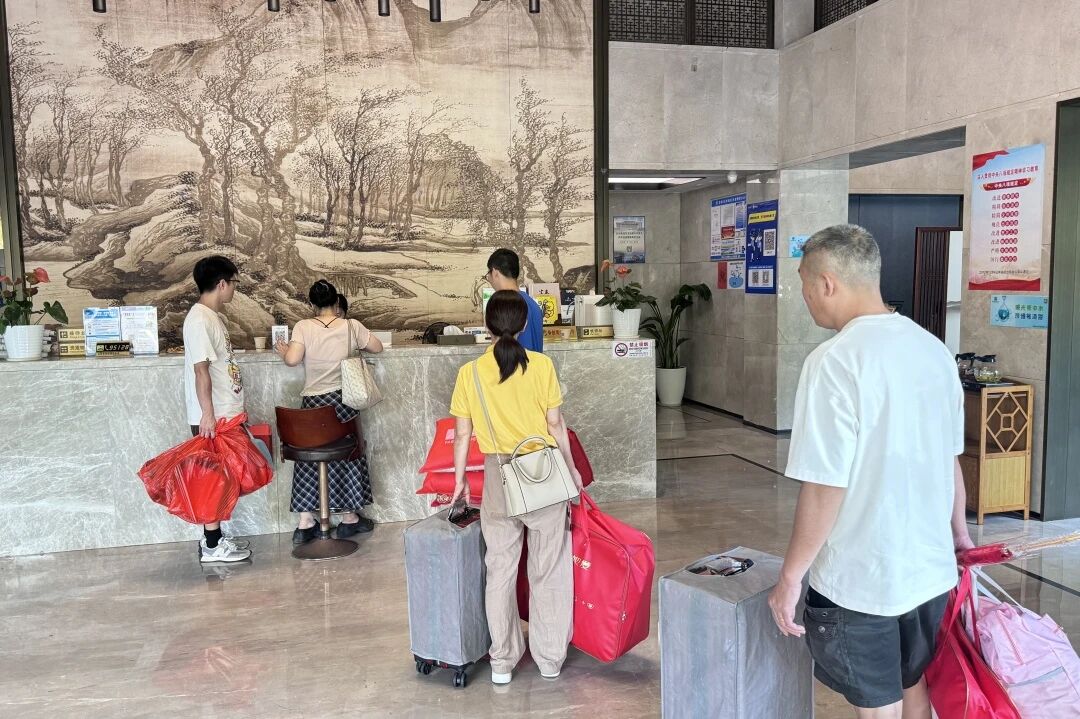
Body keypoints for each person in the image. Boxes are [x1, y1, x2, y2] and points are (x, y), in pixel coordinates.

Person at [767, 225, 974, 719]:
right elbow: (949, 459)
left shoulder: (834, 362)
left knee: (878, 706)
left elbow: (825, 485)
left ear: (827, 283)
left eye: (804, 283)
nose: (804, 295)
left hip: (861, 580)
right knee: (913, 682)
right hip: (929, 572)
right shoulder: (933, 350)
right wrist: (960, 536)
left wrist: (791, 577)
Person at [448, 290, 582, 685]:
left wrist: (459, 479)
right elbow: (556, 424)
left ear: (487, 325)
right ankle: (549, 659)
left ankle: (502, 661)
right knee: (549, 568)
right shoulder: (541, 366)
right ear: (524, 325)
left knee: (500, 570)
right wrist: (572, 470)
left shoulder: (470, 373)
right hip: (543, 474)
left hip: (498, 477)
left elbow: (462, 434)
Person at [275, 279, 384, 544]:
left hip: (313, 407)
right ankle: (349, 517)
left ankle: (305, 521)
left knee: (309, 459)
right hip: (343, 403)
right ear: (336, 302)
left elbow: (292, 360)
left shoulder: (303, 326)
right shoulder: (351, 325)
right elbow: (377, 347)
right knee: (348, 455)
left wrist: (284, 351)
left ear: (312, 304)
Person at [183, 255, 252, 564]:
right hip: (213, 417)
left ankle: (216, 538)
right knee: (211, 480)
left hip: (224, 413)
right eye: (234, 283)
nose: (234, 289)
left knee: (221, 478)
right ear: (222, 284)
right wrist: (207, 415)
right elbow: (201, 371)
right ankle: (212, 546)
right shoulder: (199, 319)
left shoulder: (213, 317)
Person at [485, 249, 544, 352]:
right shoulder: (532, 303)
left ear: (495, 273)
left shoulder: (508, 305)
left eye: (488, 274)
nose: (489, 279)